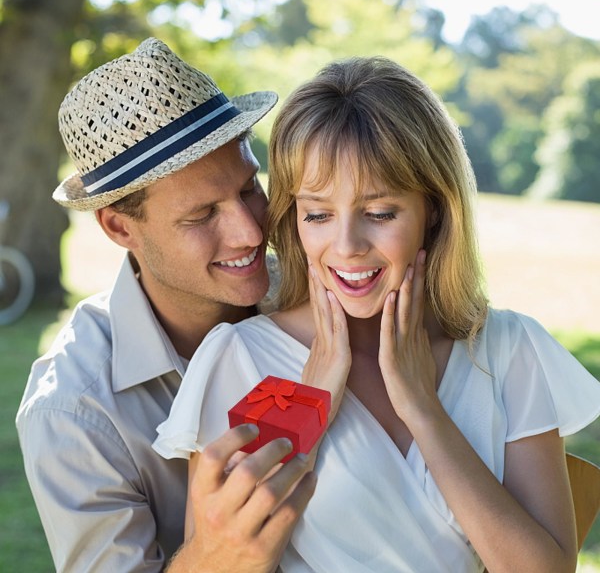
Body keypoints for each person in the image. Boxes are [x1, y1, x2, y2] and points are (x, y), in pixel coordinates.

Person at [153, 56, 600, 572]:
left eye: (380, 213)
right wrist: (307, 402)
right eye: (317, 214)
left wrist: (422, 409)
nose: (345, 247)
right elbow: (221, 562)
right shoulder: (239, 358)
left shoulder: (509, 349)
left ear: (433, 208)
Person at [16, 37, 316, 572]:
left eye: (249, 189)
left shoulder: (315, 298)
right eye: (202, 216)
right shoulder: (72, 413)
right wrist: (214, 552)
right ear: (119, 226)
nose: (251, 233)